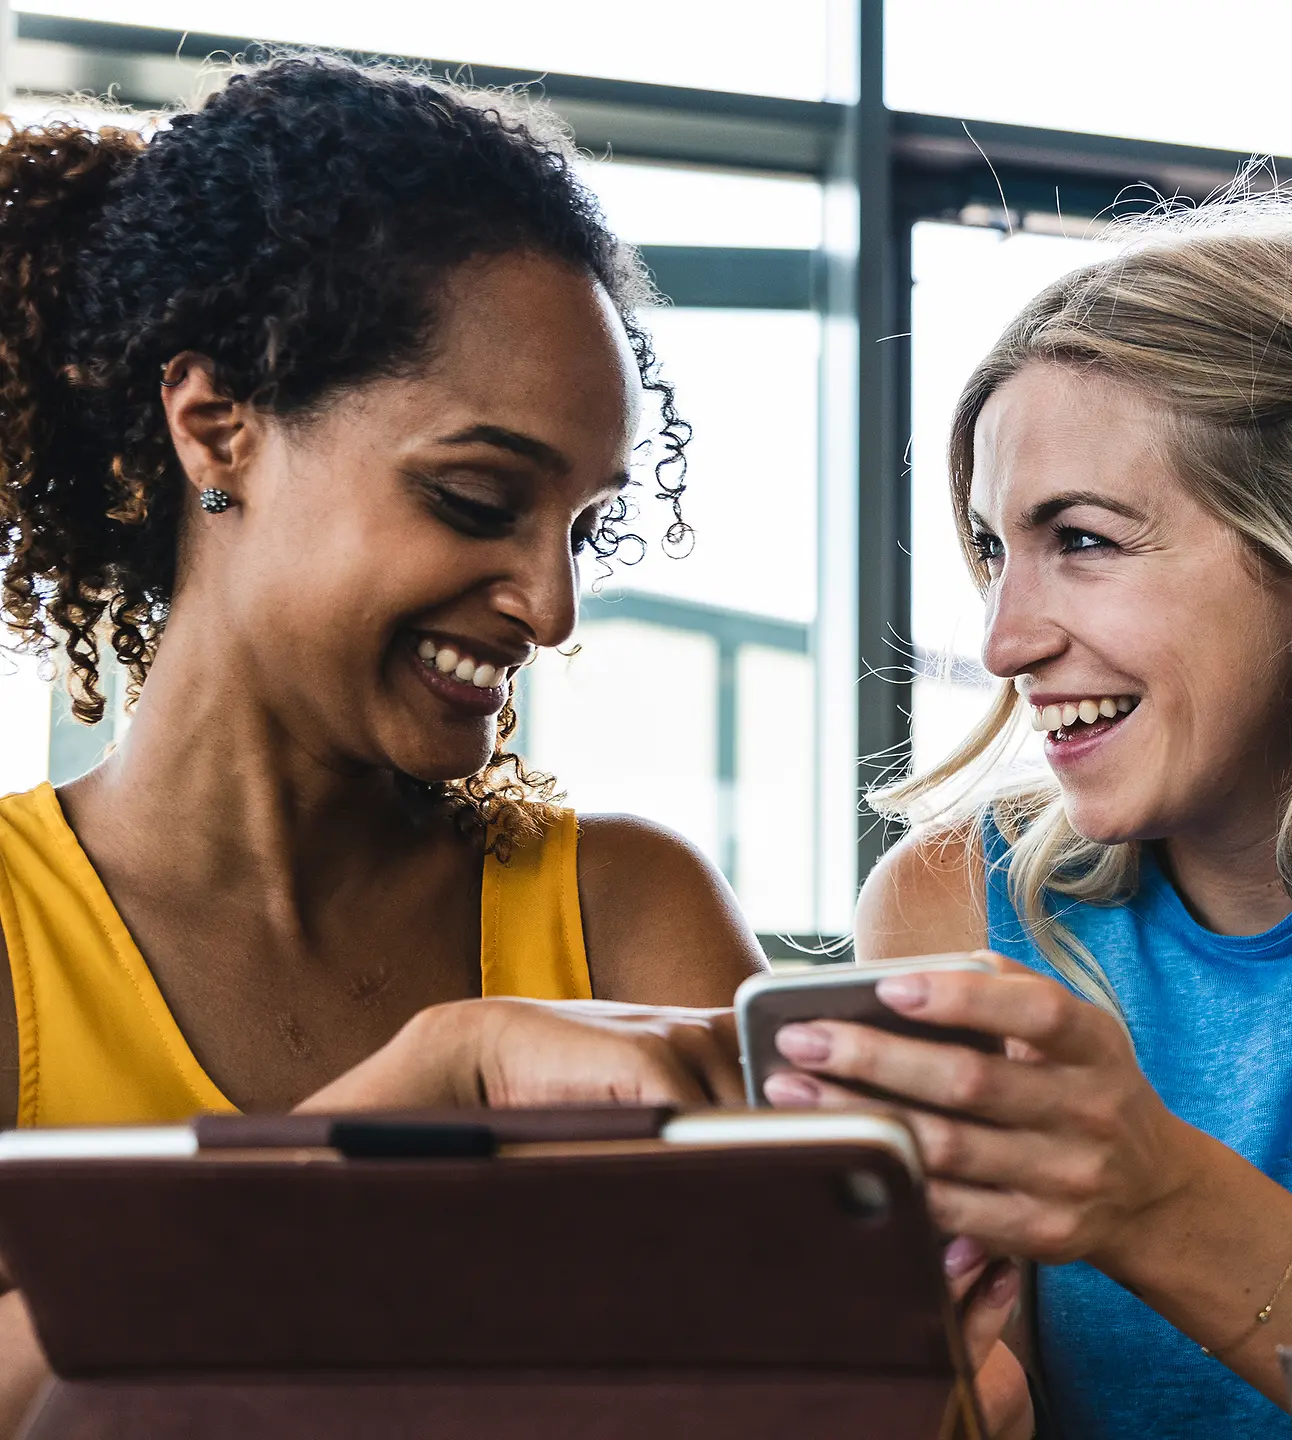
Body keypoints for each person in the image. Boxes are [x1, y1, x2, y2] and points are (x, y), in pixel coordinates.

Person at [0, 56, 768, 1430]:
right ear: (215, 426)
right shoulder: (13, 937)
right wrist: (422, 1096)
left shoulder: (626, 921)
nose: (551, 604)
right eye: (478, 500)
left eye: (581, 529)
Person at [761, 196, 1292, 1437]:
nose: (1007, 639)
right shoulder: (955, 905)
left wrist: (1152, 1202)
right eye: (993, 549)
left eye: (1082, 540)